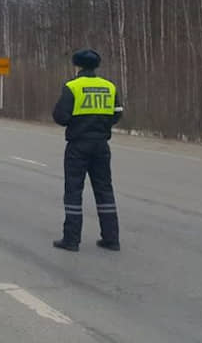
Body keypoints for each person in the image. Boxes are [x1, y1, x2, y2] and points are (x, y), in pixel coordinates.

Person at [52, 49, 123, 252]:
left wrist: (79, 122)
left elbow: (60, 116)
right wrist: (102, 124)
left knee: (74, 191)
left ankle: (71, 240)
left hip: (78, 145)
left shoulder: (72, 87)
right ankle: (111, 238)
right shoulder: (109, 86)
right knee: (104, 190)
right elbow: (117, 113)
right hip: (101, 145)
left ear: (78, 66)